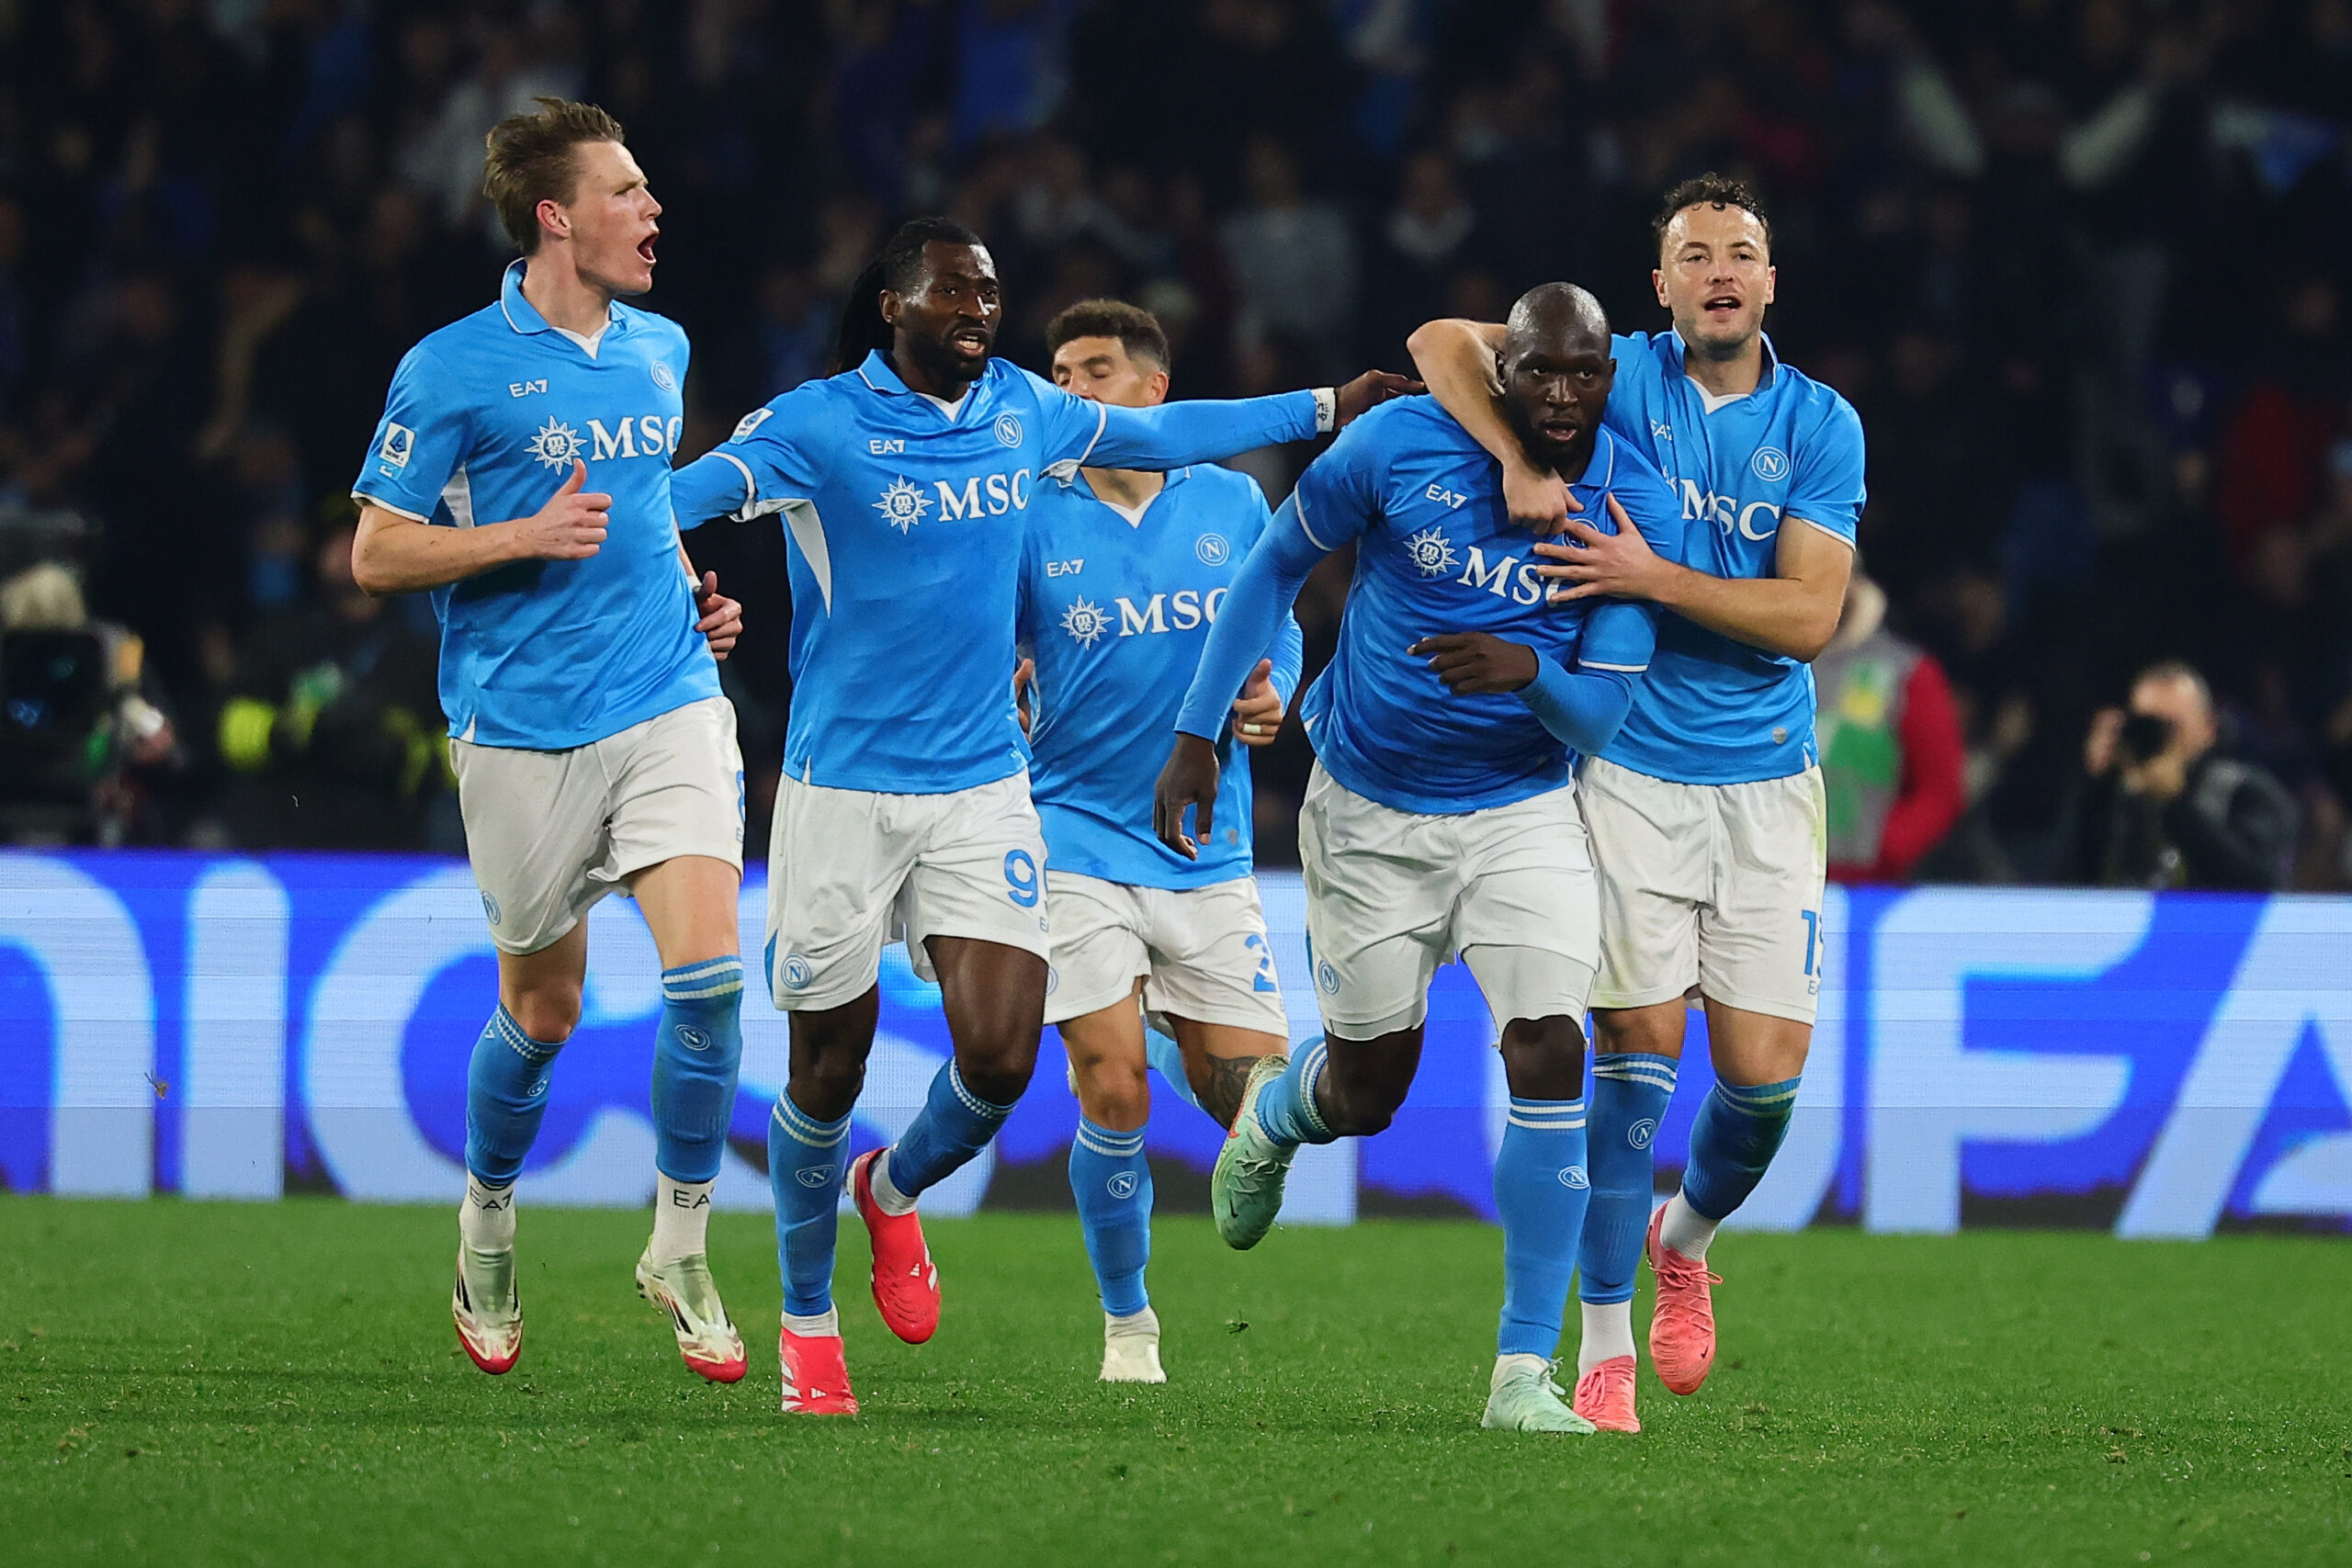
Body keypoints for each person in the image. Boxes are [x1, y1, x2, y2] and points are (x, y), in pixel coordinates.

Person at [669, 217, 1413, 1416]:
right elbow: (676, 502)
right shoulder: (813, 424)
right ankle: (810, 1319)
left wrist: (1327, 402)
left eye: (989, 290)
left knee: (1004, 1058)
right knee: (825, 1065)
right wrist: (640, 578)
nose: (979, 307)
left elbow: (1169, 430)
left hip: (984, 790)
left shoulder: (1021, 410)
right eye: (956, 289)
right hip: (841, 788)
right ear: (892, 301)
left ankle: (891, 1190)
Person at [1155, 284, 1683, 1435]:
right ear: (1503, 370)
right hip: (1369, 816)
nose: (1558, 396)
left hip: (1522, 811)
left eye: (1581, 376)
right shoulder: (1397, 442)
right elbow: (1272, 567)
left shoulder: (1629, 499)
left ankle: (1517, 1378)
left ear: (1608, 379)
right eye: (1536, 371)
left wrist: (1528, 673)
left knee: (1550, 1051)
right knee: (1368, 1091)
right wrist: (1197, 732)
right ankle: (1282, 1115)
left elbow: (1601, 722)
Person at [1407, 174, 1866, 1433]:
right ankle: (1602, 1345)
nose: (1721, 269)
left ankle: (1686, 1235)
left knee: (1763, 1088)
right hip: (1626, 776)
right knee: (1632, 1062)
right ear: (1659, 285)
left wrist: (1652, 576)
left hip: (1768, 786)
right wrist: (1511, 455)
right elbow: (1440, 342)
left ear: (1771, 281)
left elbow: (1807, 616)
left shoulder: (1822, 424)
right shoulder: (1619, 372)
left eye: (1744, 252)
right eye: (1695, 254)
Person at [348, 99, 752, 1385]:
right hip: (520, 724)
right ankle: (487, 1218)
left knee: (709, 980)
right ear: (556, 216)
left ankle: (680, 1240)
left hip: (669, 696)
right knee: (544, 1004)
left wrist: (689, 586)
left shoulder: (661, 347)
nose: (653, 212)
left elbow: (638, 510)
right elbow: (375, 550)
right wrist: (516, 538)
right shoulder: (450, 366)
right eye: (627, 192)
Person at [1017, 299, 1303, 1385]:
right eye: (1055, 373)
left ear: (1154, 392)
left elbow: (1280, 614)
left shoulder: (1230, 499)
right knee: (1113, 1084)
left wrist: (1278, 686)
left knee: (1259, 1098)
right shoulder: (1031, 509)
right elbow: (983, 640)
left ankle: (1214, 1071)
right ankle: (1129, 1326)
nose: (1068, 391)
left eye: (1092, 369)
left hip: (1206, 849)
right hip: (1074, 834)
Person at [2075, 660, 2295, 890]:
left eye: (2172, 727)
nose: (2162, 740)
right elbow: (2065, 879)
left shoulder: (2245, 792)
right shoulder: (2118, 794)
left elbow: (2256, 885)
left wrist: (2177, 803)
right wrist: (2095, 785)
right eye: (2149, 726)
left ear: (2208, 728)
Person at [1815, 566, 1966, 884]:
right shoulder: (1766, 664)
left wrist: (1886, 849)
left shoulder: (1905, 672)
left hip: (1866, 884)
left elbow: (1940, 790)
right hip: (1771, 879)